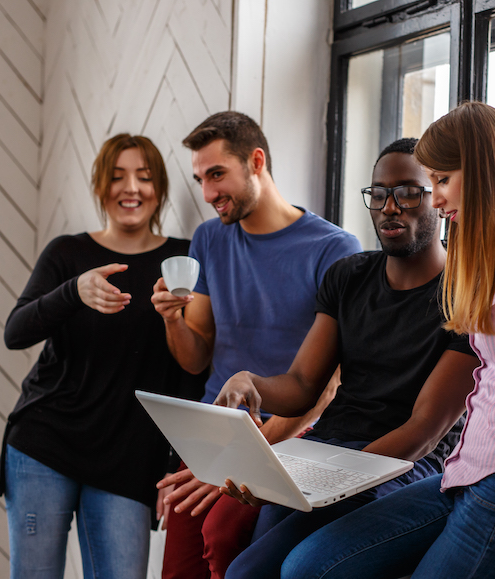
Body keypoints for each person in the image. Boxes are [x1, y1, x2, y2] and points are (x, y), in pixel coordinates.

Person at [280, 101, 495, 579]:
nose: (434, 199)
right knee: (308, 566)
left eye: (442, 180)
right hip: (467, 471)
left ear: (483, 172)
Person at [213, 137, 479, 579]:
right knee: (242, 547)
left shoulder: (463, 297)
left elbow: (423, 432)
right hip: (328, 447)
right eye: (379, 194)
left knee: (255, 571)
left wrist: (329, 479)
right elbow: (301, 386)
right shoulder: (349, 276)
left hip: (399, 466)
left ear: (439, 198)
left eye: (408, 192)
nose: (390, 206)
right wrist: (250, 381)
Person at [151, 111, 362, 578]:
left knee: (226, 544)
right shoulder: (209, 239)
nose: (208, 194)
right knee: (178, 569)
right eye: (201, 179)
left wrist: (243, 456)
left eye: (217, 174)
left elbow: (328, 384)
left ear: (257, 161)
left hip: (289, 436)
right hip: (211, 431)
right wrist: (172, 320)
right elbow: (195, 356)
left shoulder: (335, 249)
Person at [0, 134, 205, 579]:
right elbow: (15, 333)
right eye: (117, 177)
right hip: (45, 443)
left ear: (160, 188)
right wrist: (73, 291)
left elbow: (191, 372)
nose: (131, 188)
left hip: (130, 456)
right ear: (100, 187)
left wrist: (172, 464)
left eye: (144, 177)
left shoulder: (182, 259)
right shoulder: (68, 253)